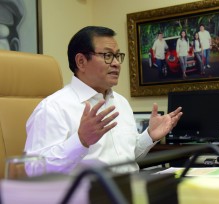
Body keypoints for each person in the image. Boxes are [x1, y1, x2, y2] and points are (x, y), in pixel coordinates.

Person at [24, 26, 182, 174]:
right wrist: (81, 141)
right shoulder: (53, 108)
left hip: (129, 192)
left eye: (117, 56)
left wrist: (150, 136)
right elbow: (34, 170)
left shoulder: (121, 102)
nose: (116, 63)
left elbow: (125, 158)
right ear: (81, 61)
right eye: (107, 55)